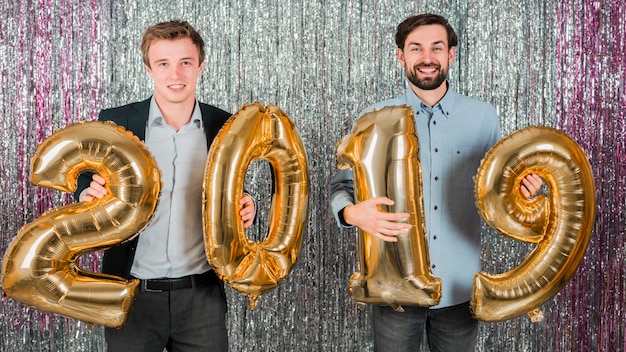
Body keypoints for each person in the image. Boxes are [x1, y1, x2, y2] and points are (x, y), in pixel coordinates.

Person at [330, 13, 543, 352]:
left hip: (459, 290)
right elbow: (342, 186)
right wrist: (353, 214)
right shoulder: (371, 119)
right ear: (401, 56)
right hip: (393, 290)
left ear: (451, 54)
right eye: (416, 48)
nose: (426, 57)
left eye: (436, 48)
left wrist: (523, 189)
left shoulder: (483, 117)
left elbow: (498, 189)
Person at [74, 20, 255, 352]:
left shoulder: (226, 125)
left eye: (185, 62)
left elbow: (234, 188)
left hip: (202, 300)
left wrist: (249, 205)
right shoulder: (116, 122)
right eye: (164, 64)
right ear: (149, 69)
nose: (176, 74)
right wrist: (87, 192)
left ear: (200, 65)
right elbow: (84, 175)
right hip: (131, 297)